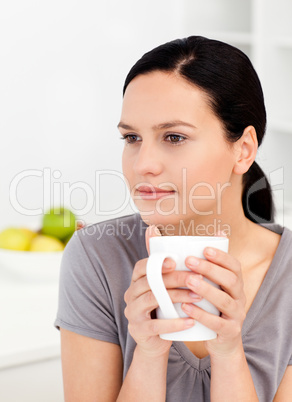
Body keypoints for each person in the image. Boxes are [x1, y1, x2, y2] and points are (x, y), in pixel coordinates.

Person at [54, 36, 292, 401]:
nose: (143, 164)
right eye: (131, 137)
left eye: (174, 137)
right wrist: (149, 352)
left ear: (243, 150)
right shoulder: (95, 257)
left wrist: (228, 352)